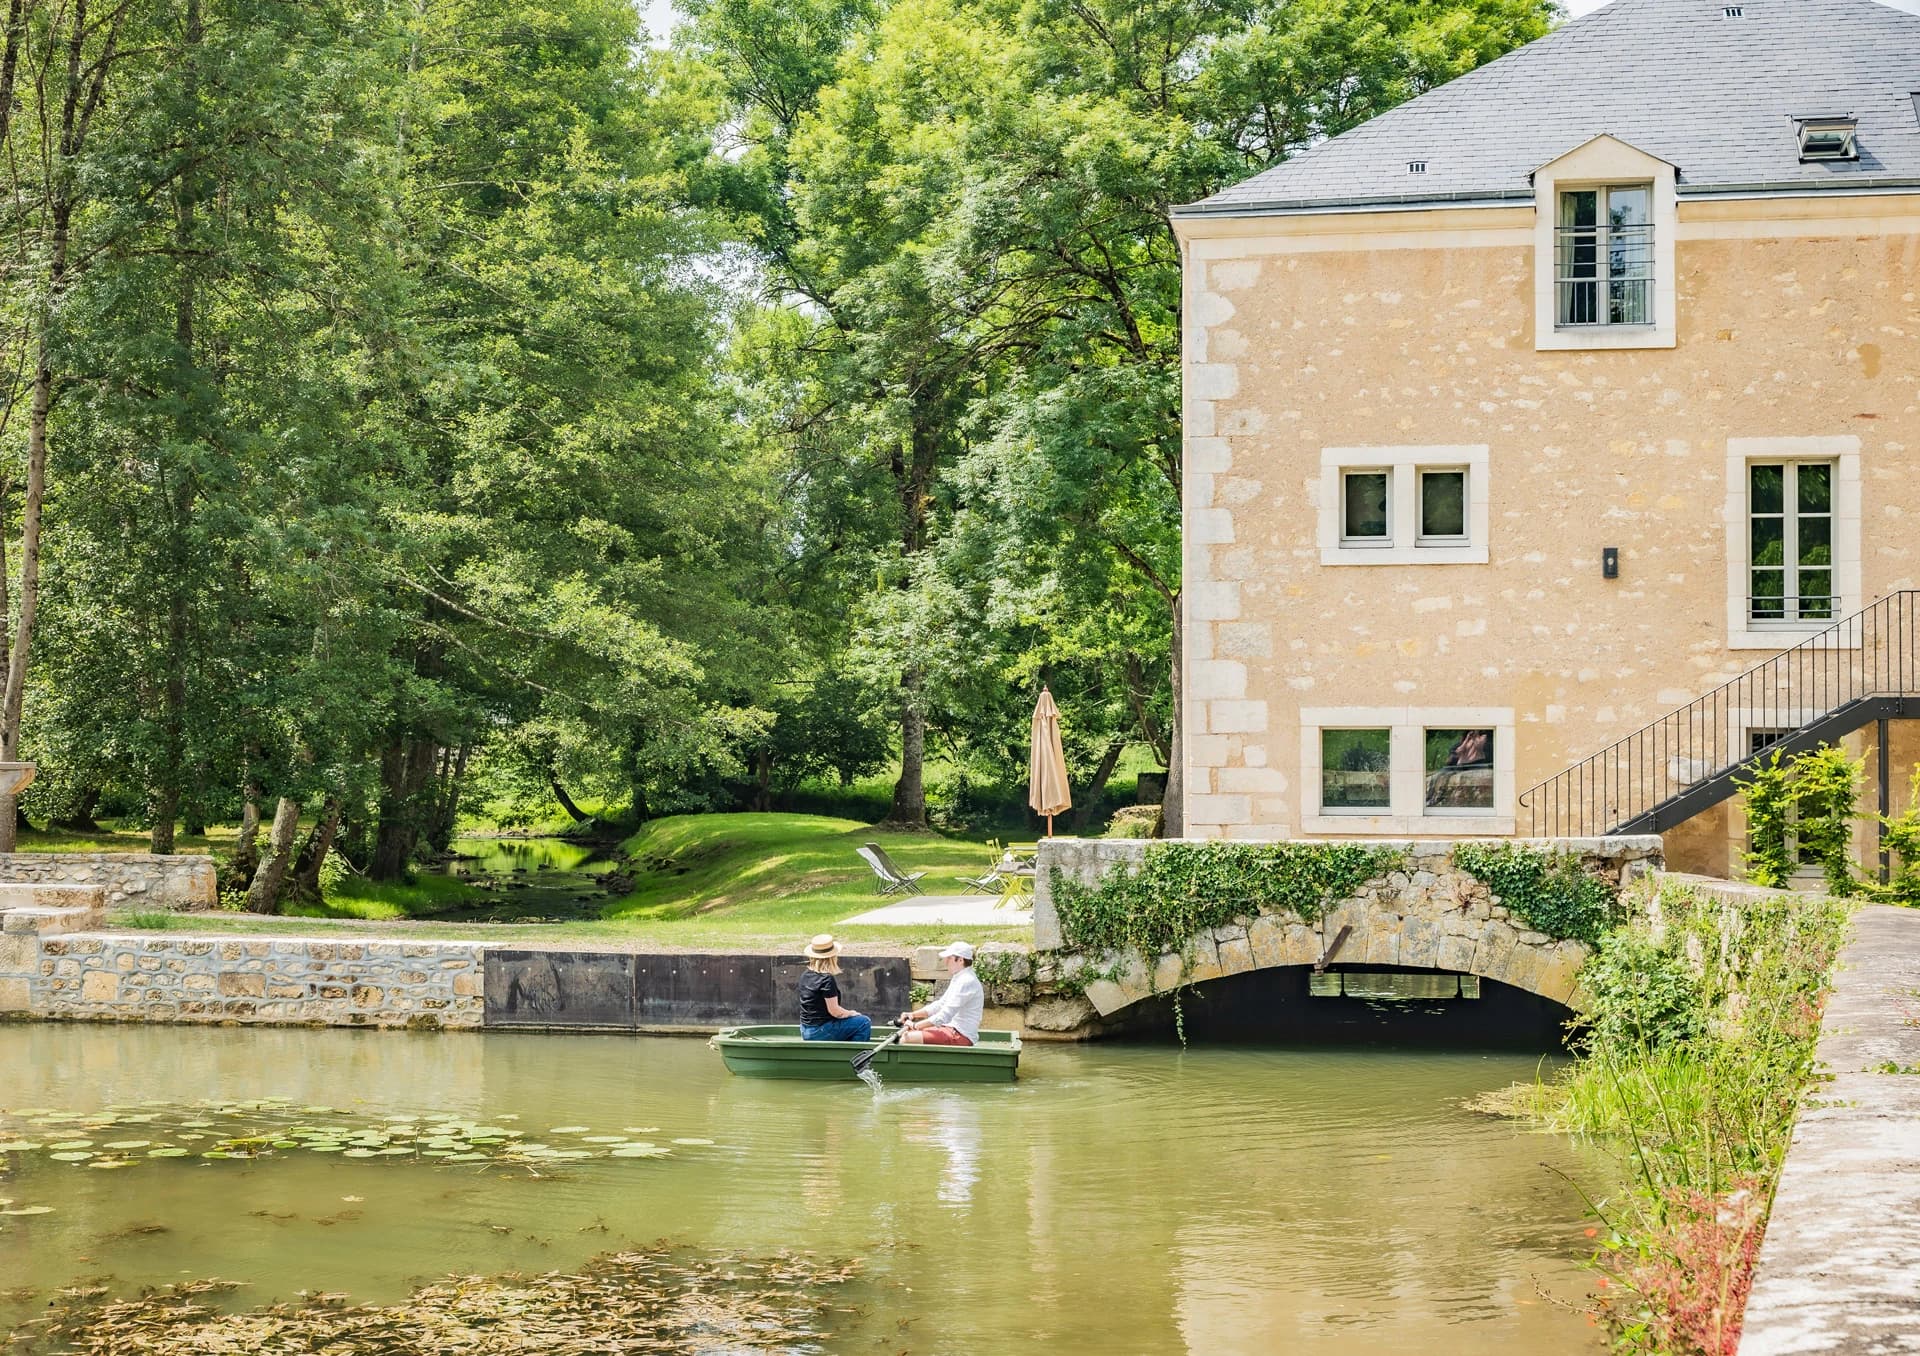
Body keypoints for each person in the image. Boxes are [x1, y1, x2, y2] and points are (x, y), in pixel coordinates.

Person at [898, 941, 983, 1046]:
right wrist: (912, 1014)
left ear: (960, 960)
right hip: (951, 1029)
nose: (946, 961)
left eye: (949, 958)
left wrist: (916, 1025)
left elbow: (945, 1015)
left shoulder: (967, 981)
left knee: (907, 1038)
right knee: (908, 1033)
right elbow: (940, 1004)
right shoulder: (960, 977)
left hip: (961, 1035)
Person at [797, 935, 872, 1042]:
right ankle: (857, 1057)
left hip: (805, 1030)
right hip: (819, 1031)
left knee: (852, 1023)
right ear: (832, 957)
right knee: (864, 1022)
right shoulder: (826, 979)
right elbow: (835, 1012)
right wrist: (852, 1013)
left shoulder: (805, 975)